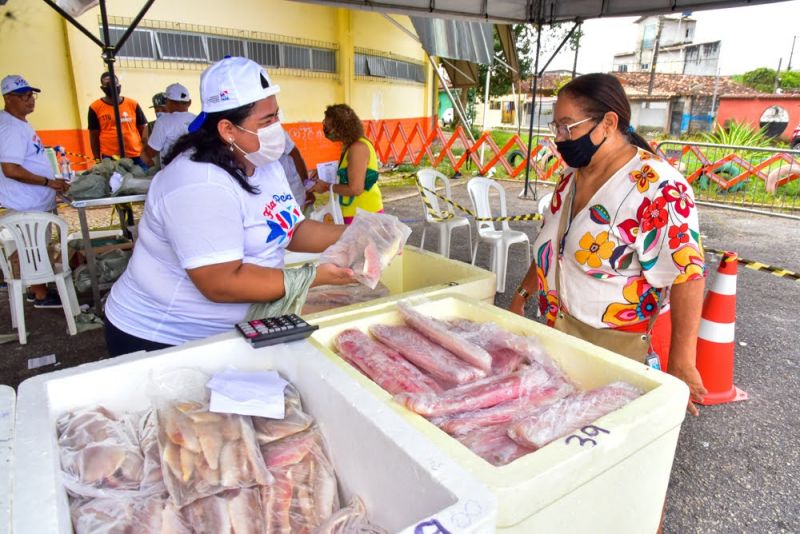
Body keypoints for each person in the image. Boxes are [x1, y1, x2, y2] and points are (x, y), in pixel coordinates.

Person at [103, 57, 355, 356]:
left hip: (239, 326)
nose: (277, 128)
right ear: (227, 129)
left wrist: (358, 234)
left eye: (276, 116)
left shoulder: (263, 161)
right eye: (266, 120)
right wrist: (310, 277)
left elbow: (290, 228)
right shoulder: (198, 183)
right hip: (166, 338)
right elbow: (220, 282)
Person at [510, 73, 708, 416]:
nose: (560, 138)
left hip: (615, 349)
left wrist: (682, 363)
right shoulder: (571, 177)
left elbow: (687, 274)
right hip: (560, 334)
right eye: (556, 126)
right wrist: (522, 295)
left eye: (568, 126)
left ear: (608, 123)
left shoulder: (657, 187)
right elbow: (552, 246)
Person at [0, 74, 69, 308]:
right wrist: (47, 183)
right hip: (26, 203)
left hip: (34, 201)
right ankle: (40, 294)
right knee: (33, 248)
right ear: (8, 98)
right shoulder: (10, 127)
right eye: (24, 96)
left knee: (37, 247)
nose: (31, 100)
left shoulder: (19, 122)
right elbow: (10, 169)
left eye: (32, 95)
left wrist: (51, 180)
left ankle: (35, 289)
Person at [310, 104, 382, 224]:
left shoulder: (358, 148)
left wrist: (326, 186)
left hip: (362, 215)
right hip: (355, 213)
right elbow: (350, 173)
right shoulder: (351, 146)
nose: (326, 131)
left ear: (342, 128)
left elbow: (355, 189)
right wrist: (322, 172)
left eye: (328, 128)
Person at [88, 72, 147, 168]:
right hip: (111, 157)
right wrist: (97, 159)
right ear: (102, 88)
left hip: (136, 155)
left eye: (114, 83)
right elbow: (93, 136)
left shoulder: (132, 104)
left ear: (119, 85)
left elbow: (143, 130)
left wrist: (146, 152)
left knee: (142, 180)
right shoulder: (95, 107)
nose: (112, 86)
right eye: (107, 84)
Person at [143, 83, 196, 165]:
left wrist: (145, 146)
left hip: (171, 171)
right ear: (189, 102)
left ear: (168, 102)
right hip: (194, 169)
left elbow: (151, 152)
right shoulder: (197, 119)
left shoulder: (163, 121)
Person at [279, 130, 314, 212]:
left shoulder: (278, 133)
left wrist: (308, 187)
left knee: (301, 220)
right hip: (275, 194)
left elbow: (296, 156)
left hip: (295, 191)